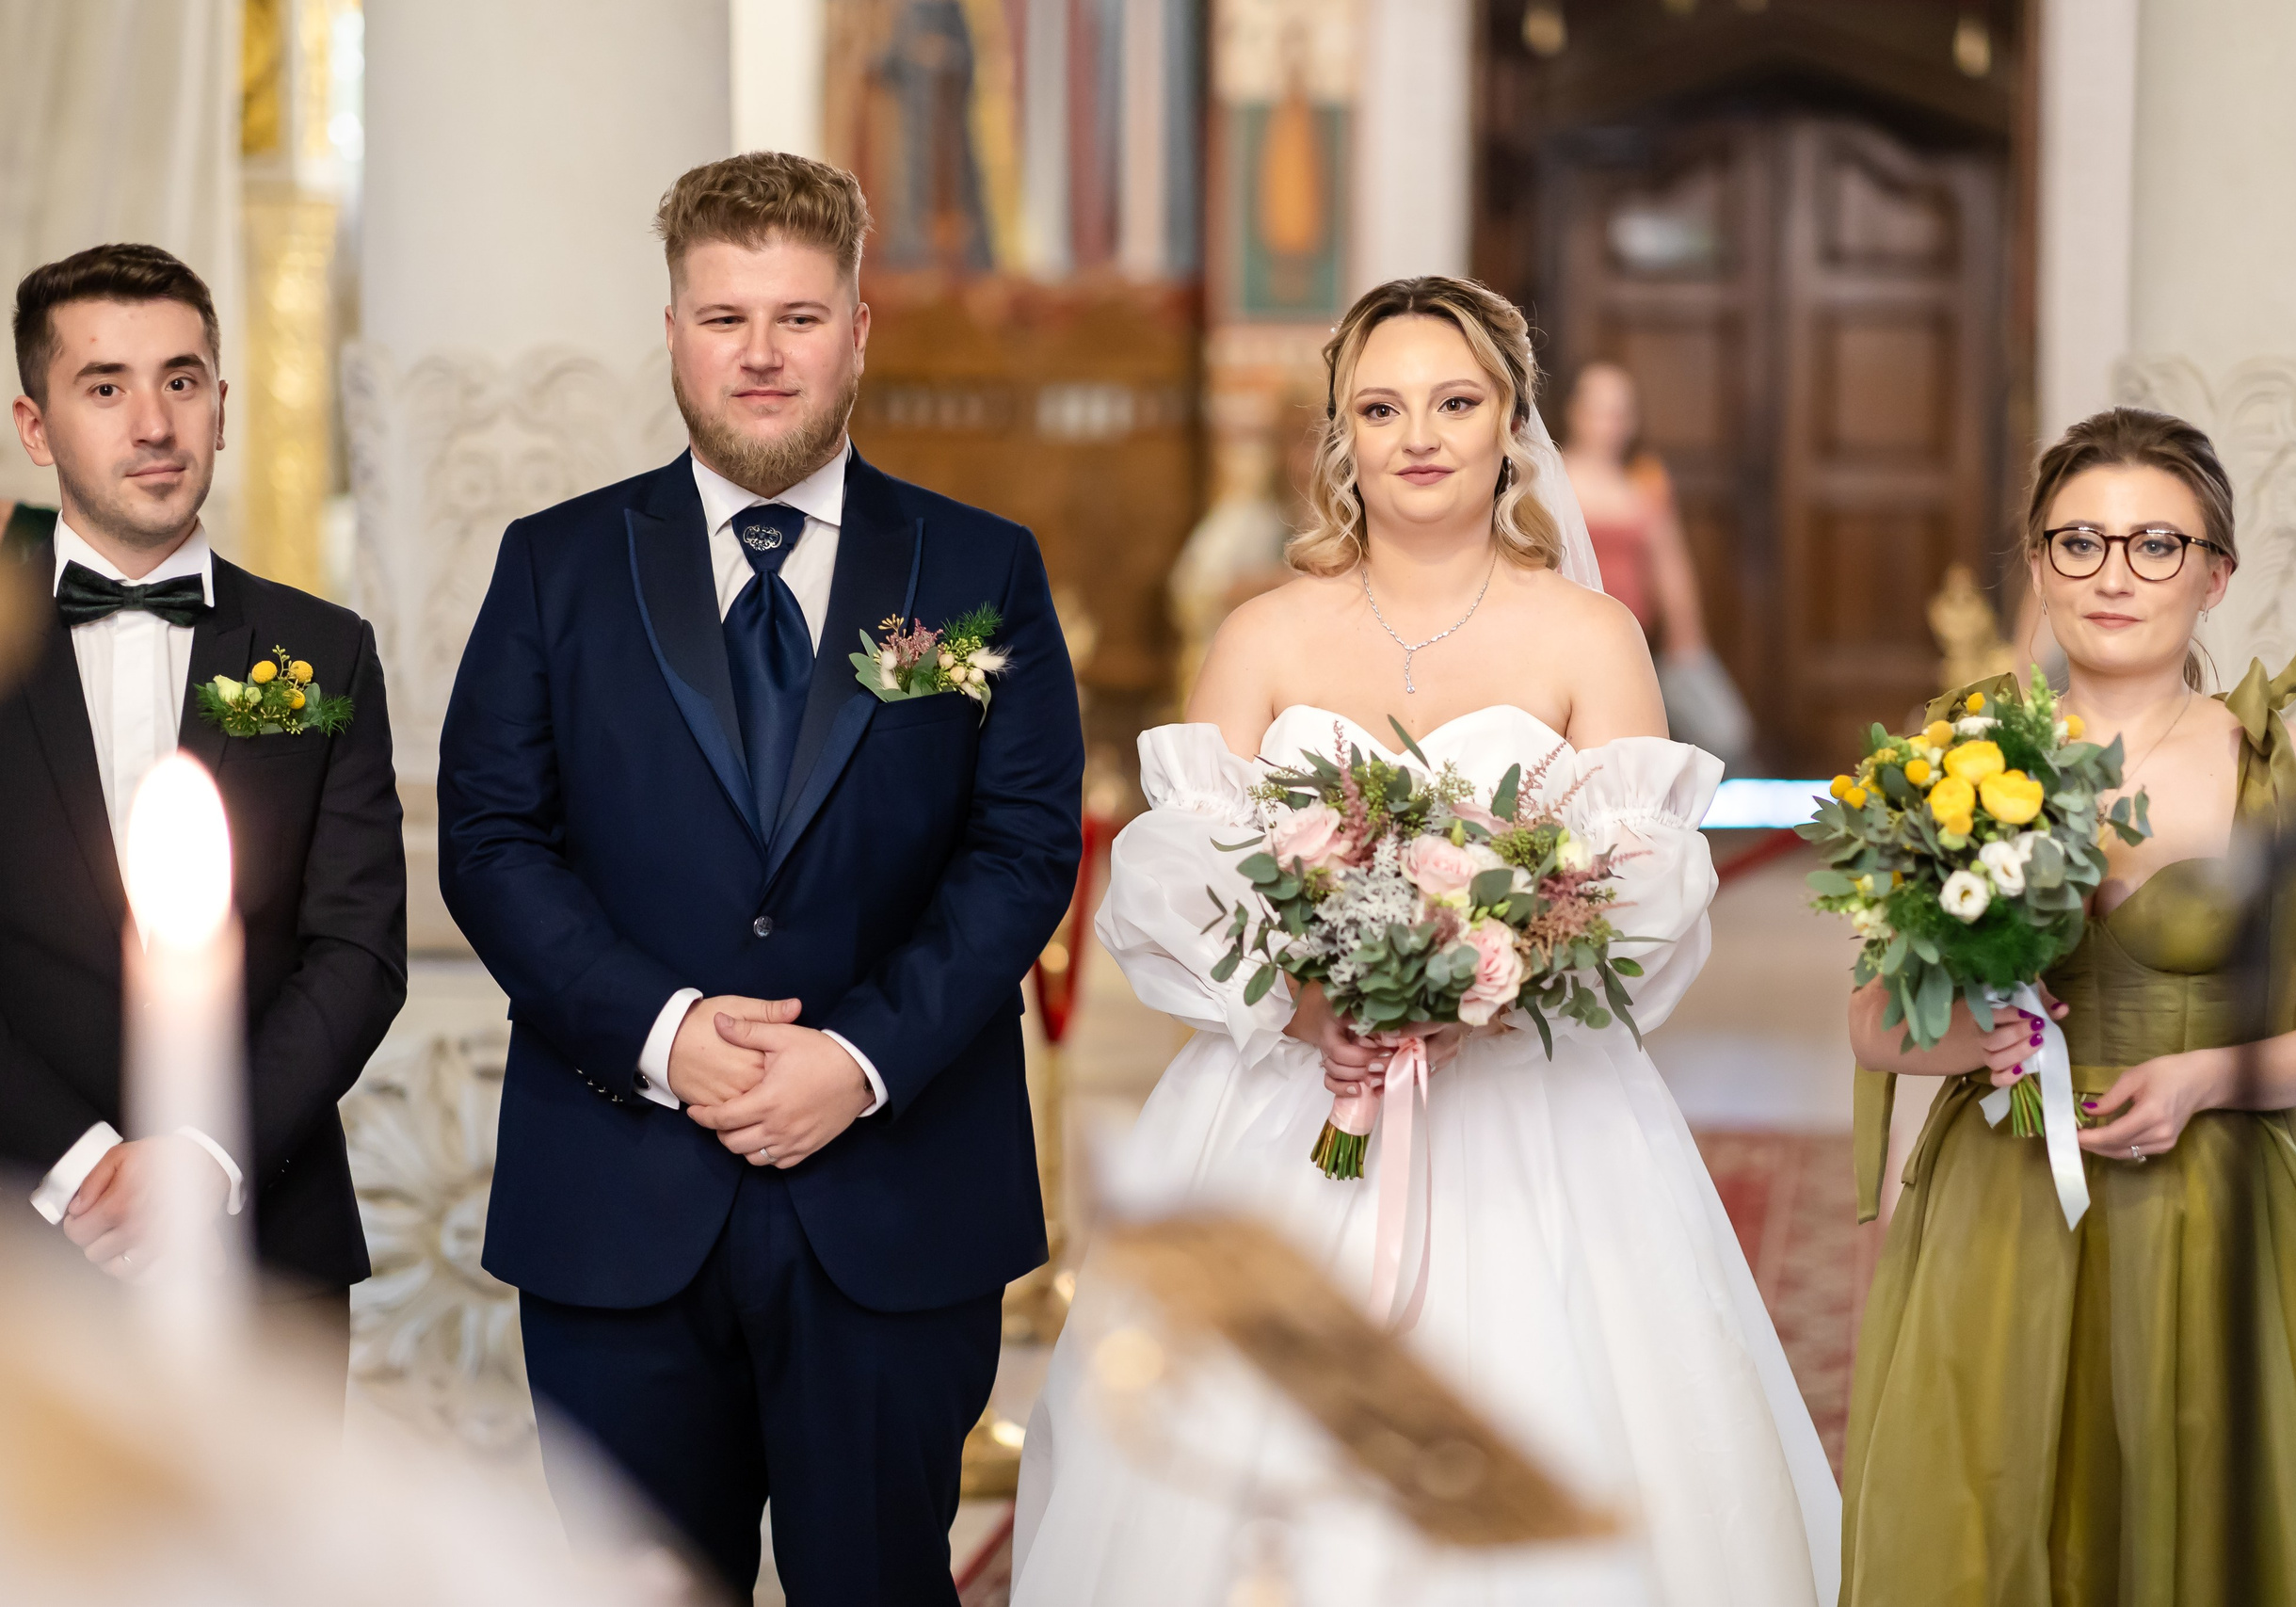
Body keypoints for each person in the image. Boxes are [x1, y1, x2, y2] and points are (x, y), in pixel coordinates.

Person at [1014, 277, 1839, 1606]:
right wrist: (1301, 1004)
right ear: (1340, 434)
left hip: (1532, 1102)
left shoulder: (1588, 634)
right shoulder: (1265, 634)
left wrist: (1494, 980)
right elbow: (1176, 877)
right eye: (1381, 406)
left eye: (1455, 402)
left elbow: (1647, 879)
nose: (1420, 435)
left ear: (1513, 421)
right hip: (1291, 1105)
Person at [437, 153, 1084, 1601]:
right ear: (671, 330)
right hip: (620, 1182)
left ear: (862, 328)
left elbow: (1023, 845)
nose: (762, 354)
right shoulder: (554, 565)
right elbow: (490, 835)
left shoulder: (985, 566)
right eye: (725, 318)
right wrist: (666, 1032)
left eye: (798, 316)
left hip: (897, 1186)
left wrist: (856, 1055)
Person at [1840, 408, 2296, 1604]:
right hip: (2001, 1214)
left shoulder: (2276, 766)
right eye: (2078, 542)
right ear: (2038, 563)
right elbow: (1874, 1028)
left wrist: (2208, 1075)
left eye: (2156, 545)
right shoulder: (1955, 751)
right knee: (1991, 1521)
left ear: (2214, 576)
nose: (2113, 574)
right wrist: (1973, 1036)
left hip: (2216, 1220)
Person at [0, 244, 407, 1370]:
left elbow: (359, 950)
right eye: (105, 385)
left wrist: (202, 1153)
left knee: (275, 1557)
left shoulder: (325, 652)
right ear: (36, 428)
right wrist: (83, 1170)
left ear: (224, 408)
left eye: (181, 382)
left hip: (265, 1254)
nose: (152, 425)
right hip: (20, 1262)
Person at [1559, 361, 1756, 770]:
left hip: (1639, 641)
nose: (1609, 423)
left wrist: (1688, 639)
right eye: (1598, 409)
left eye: (1619, 411)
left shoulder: (1644, 477)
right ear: (1573, 411)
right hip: (1570, 642)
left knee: (1714, 735)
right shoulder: (1552, 476)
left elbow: (1670, 562)